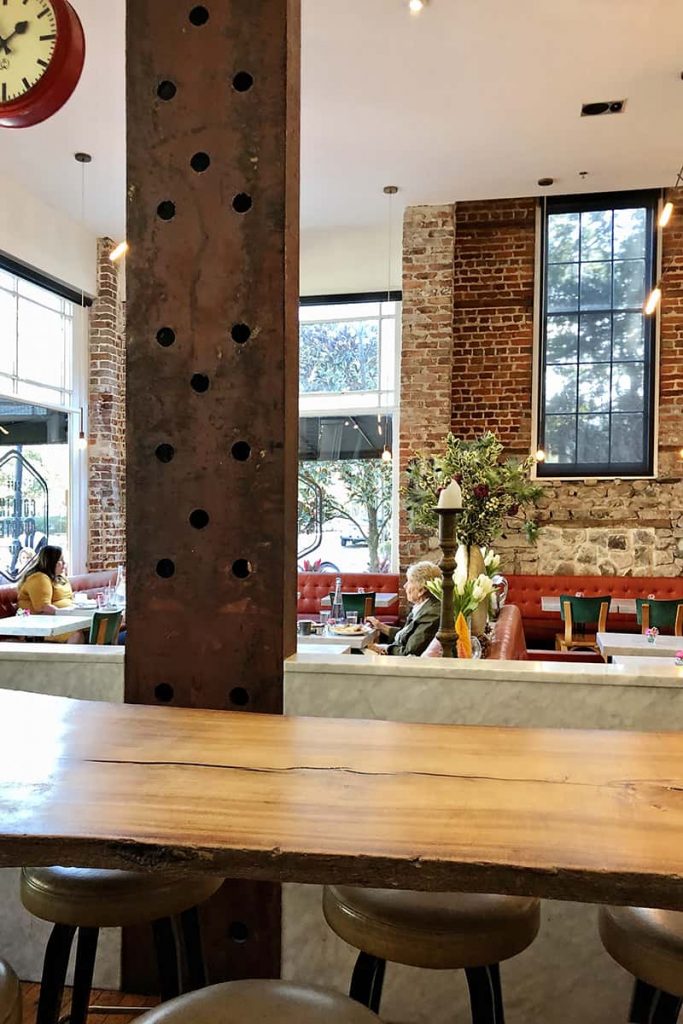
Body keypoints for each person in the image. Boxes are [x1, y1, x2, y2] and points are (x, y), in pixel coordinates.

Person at [366, 561, 443, 657]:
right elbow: (407, 635)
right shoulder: (423, 607)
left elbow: (409, 653)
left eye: (410, 581)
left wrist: (384, 648)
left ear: (422, 590)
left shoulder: (431, 614)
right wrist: (380, 626)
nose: (405, 586)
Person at [16, 545, 85, 643]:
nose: (64, 563)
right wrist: (69, 616)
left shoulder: (59, 578)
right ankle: (66, 658)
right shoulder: (39, 578)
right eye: (61, 560)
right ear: (51, 562)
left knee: (99, 627)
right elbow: (43, 607)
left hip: (57, 621)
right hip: (39, 626)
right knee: (76, 633)